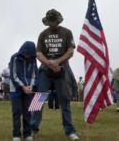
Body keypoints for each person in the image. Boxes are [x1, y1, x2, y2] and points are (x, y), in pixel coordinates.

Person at [30, 9, 79, 140]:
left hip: (62, 69)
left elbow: (70, 52)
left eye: (54, 23)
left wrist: (57, 62)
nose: (52, 25)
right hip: (45, 70)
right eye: (50, 23)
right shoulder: (43, 34)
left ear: (58, 21)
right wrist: (49, 63)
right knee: (38, 100)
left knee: (65, 101)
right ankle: (32, 130)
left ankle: (70, 132)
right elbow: (39, 53)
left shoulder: (67, 33)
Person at [10, 41, 39, 141]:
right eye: (27, 54)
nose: (28, 56)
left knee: (27, 112)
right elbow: (13, 75)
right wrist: (22, 86)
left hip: (28, 91)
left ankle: (27, 134)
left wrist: (31, 86)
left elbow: (35, 74)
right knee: (17, 112)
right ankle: (16, 135)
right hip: (16, 90)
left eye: (30, 54)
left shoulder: (33, 60)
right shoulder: (14, 58)